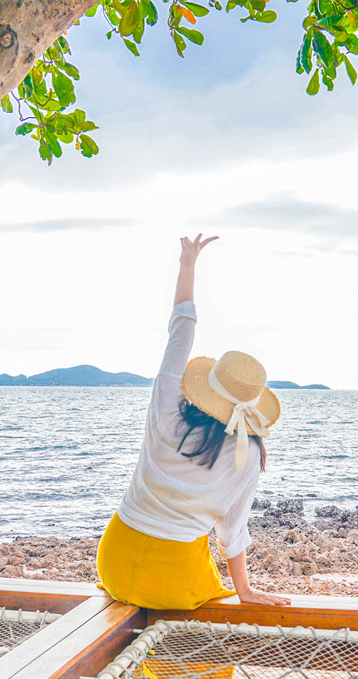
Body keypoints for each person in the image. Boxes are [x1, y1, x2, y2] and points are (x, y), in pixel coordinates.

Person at [96, 233, 290, 611]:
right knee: (202, 658)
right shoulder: (247, 455)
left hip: (115, 561)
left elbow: (181, 329)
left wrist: (188, 265)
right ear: (253, 404)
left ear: (208, 387)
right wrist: (246, 591)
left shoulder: (166, 408)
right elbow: (231, 533)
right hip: (174, 579)